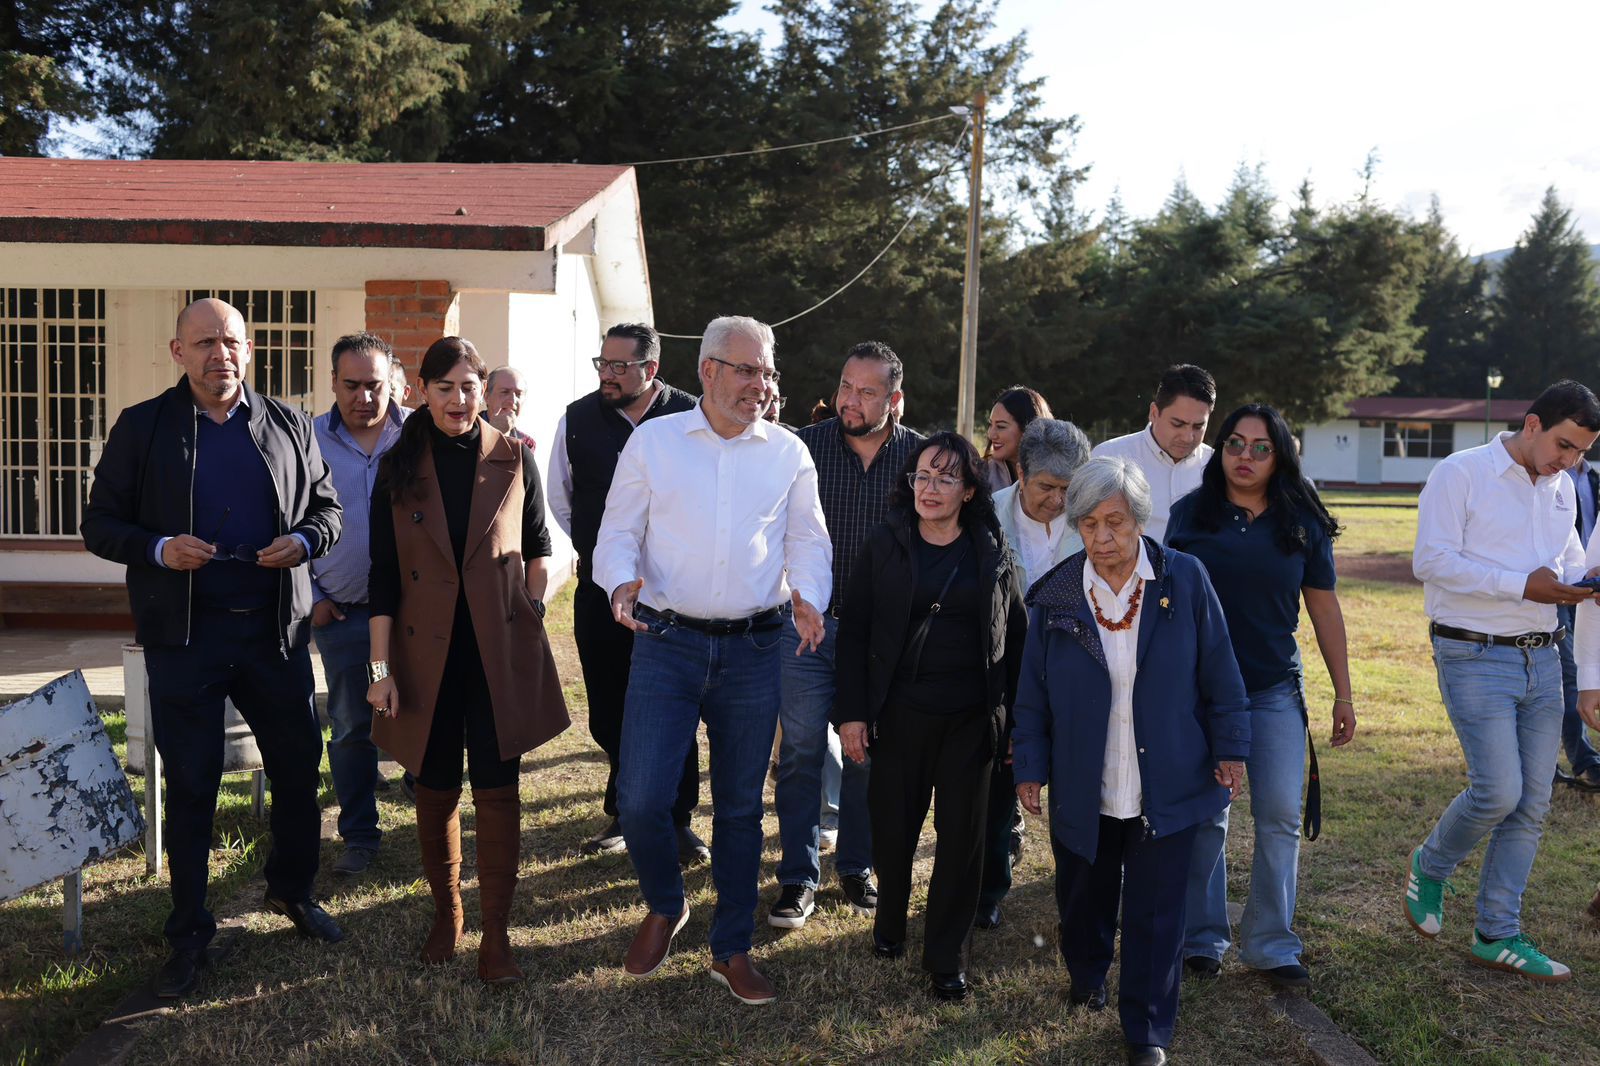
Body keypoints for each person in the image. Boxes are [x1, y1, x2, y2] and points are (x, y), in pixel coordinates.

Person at [82, 297, 344, 999]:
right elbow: (100, 525)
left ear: (250, 349)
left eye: (230, 341)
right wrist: (161, 548)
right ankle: (190, 933)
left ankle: (292, 890)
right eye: (203, 342)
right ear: (177, 353)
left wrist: (307, 541)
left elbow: (328, 509)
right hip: (186, 639)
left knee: (297, 769)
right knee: (193, 784)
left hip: (274, 635)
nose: (218, 353)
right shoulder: (144, 427)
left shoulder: (288, 423)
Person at [593, 315, 832, 1005]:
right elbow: (617, 533)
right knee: (640, 800)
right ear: (709, 371)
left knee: (737, 811)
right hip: (666, 644)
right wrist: (620, 581)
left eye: (768, 372)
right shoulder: (654, 442)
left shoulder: (787, 453)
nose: (762, 384)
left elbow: (808, 542)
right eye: (748, 370)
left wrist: (810, 597)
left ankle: (731, 949)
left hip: (756, 648)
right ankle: (667, 902)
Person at [1012, 456, 1249, 1066]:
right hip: (1084, 775)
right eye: (1087, 524)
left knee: (1157, 905)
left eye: (1115, 522)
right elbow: (1032, 694)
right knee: (1084, 890)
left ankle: (1147, 1027)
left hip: (1166, 774)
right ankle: (1088, 975)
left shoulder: (1185, 580)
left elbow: (1220, 672)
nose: (1103, 538)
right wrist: (1031, 766)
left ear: (1140, 520)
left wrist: (1230, 748)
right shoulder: (1058, 595)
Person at [365, 336, 570, 983]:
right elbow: (381, 577)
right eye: (445, 386)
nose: (459, 399)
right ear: (421, 391)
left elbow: (540, 547)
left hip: (495, 652)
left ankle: (498, 936)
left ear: (485, 389)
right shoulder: (397, 469)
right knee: (435, 787)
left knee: (498, 786)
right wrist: (380, 672)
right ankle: (447, 913)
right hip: (424, 657)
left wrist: (527, 609)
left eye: (470, 385)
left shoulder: (514, 459)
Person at [1407, 380, 1600, 984]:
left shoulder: (1564, 486)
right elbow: (1431, 562)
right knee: (1497, 791)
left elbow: (1565, 559)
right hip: (1472, 653)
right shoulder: (1460, 473)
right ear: (1533, 424)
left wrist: (1584, 577)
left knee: (1533, 803)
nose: (1570, 462)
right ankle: (1430, 865)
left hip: (1544, 658)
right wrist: (1523, 585)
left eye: (1582, 453)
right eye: (1565, 445)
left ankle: (1496, 931)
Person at [1166, 404, 1355, 990]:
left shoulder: (1302, 521)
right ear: (1219, 450)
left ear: (1282, 455)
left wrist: (1343, 694)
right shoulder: (1189, 515)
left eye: (1260, 447)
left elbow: (1323, 608)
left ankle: (1272, 943)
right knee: (1206, 818)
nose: (1244, 458)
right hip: (1202, 697)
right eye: (1234, 445)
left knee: (1278, 816)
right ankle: (1202, 938)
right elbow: (1165, 606)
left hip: (1274, 691)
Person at [833, 431, 1026, 1001]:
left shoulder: (992, 550)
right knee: (892, 833)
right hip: (900, 713)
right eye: (922, 476)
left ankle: (946, 955)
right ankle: (890, 921)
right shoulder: (885, 543)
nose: (931, 488)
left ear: (969, 490)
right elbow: (856, 633)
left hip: (971, 718)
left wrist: (1014, 725)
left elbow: (1015, 641)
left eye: (946, 478)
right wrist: (852, 715)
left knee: (962, 840)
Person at [769, 341, 922, 930]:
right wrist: (795, 597)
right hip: (807, 628)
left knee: (866, 755)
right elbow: (773, 533)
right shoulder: (800, 450)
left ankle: (857, 866)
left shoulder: (920, 460)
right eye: (845, 387)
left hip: (883, 640)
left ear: (895, 400)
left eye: (867, 392)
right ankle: (797, 878)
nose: (850, 401)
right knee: (802, 753)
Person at [546, 323, 704, 861]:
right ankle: (623, 807)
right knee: (609, 707)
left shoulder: (691, 416)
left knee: (675, 707)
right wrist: (605, 557)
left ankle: (678, 818)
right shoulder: (577, 418)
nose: (606, 375)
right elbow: (562, 498)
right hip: (601, 589)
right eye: (602, 364)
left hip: (673, 594)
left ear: (650, 369)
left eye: (618, 366)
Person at [978, 417, 1092, 930]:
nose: (1058, 500)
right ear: (1019, 472)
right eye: (1047, 486)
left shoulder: (1092, 522)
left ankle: (1085, 890)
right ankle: (988, 891)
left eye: (1070, 489)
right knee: (997, 792)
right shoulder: (986, 517)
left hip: (1073, 676)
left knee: (1081, 790)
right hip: (1002, 673)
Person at [310, 332, 410, 876]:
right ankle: (360, 837)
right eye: (352, 386)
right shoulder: (307, 442)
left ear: (390, 382)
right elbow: (287, 520)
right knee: (351, 723)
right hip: (345, 616)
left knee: (423, 715)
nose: (364, 398)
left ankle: (432, 819)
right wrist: (314, 595)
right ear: (332, 383)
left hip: (414, 618)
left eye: (374, 385)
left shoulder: (417, 433)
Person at [1093, 364, 1216, 542]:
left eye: (1198, 426)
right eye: (1177, 424)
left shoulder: (1216, 465)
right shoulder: (1109, 456)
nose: (1188, 437)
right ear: (1154, 413)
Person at [1556, 453, 1600, 790]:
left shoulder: (1592, 478)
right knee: (1568, 675)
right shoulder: (1549, 476)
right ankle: (1582, 759)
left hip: (1587, 584)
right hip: (1555, 589)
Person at [982, 385, 1052, 492]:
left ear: (1028, 429)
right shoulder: (981, 474)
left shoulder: (1058, 476)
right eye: (990, 424)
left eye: (1001, 426)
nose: (991, 435)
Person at [484, 365, 534, 449]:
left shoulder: (527, 443)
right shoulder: (466, 430)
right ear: (486, 396)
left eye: (518, 394)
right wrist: (493, 434)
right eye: (505, 392)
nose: (513, 400)